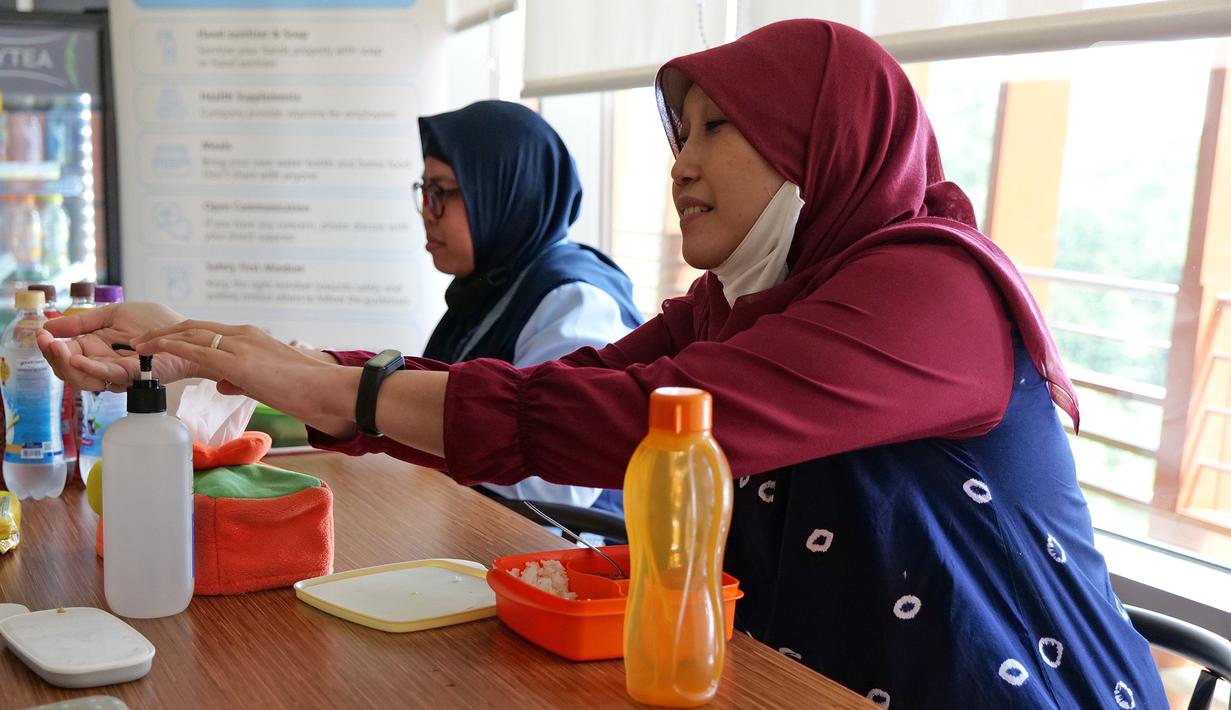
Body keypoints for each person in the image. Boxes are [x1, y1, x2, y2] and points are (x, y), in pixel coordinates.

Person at [40, 20, 1166, 708]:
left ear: (826, 135)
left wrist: (313, 384)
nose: (685, 160)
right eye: (680, 130)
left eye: (723, 125)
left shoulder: (934, 288)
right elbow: (557, 400)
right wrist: (204, 345)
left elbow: (622, 423)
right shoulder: (735, 303)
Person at [310, 100, 642, 512]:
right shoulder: (490, 283)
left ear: (505, 188)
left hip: (561, 553)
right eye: (424, 192)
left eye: (442, 192)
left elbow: (559, 483)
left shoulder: (573, 298)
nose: (427, 214)